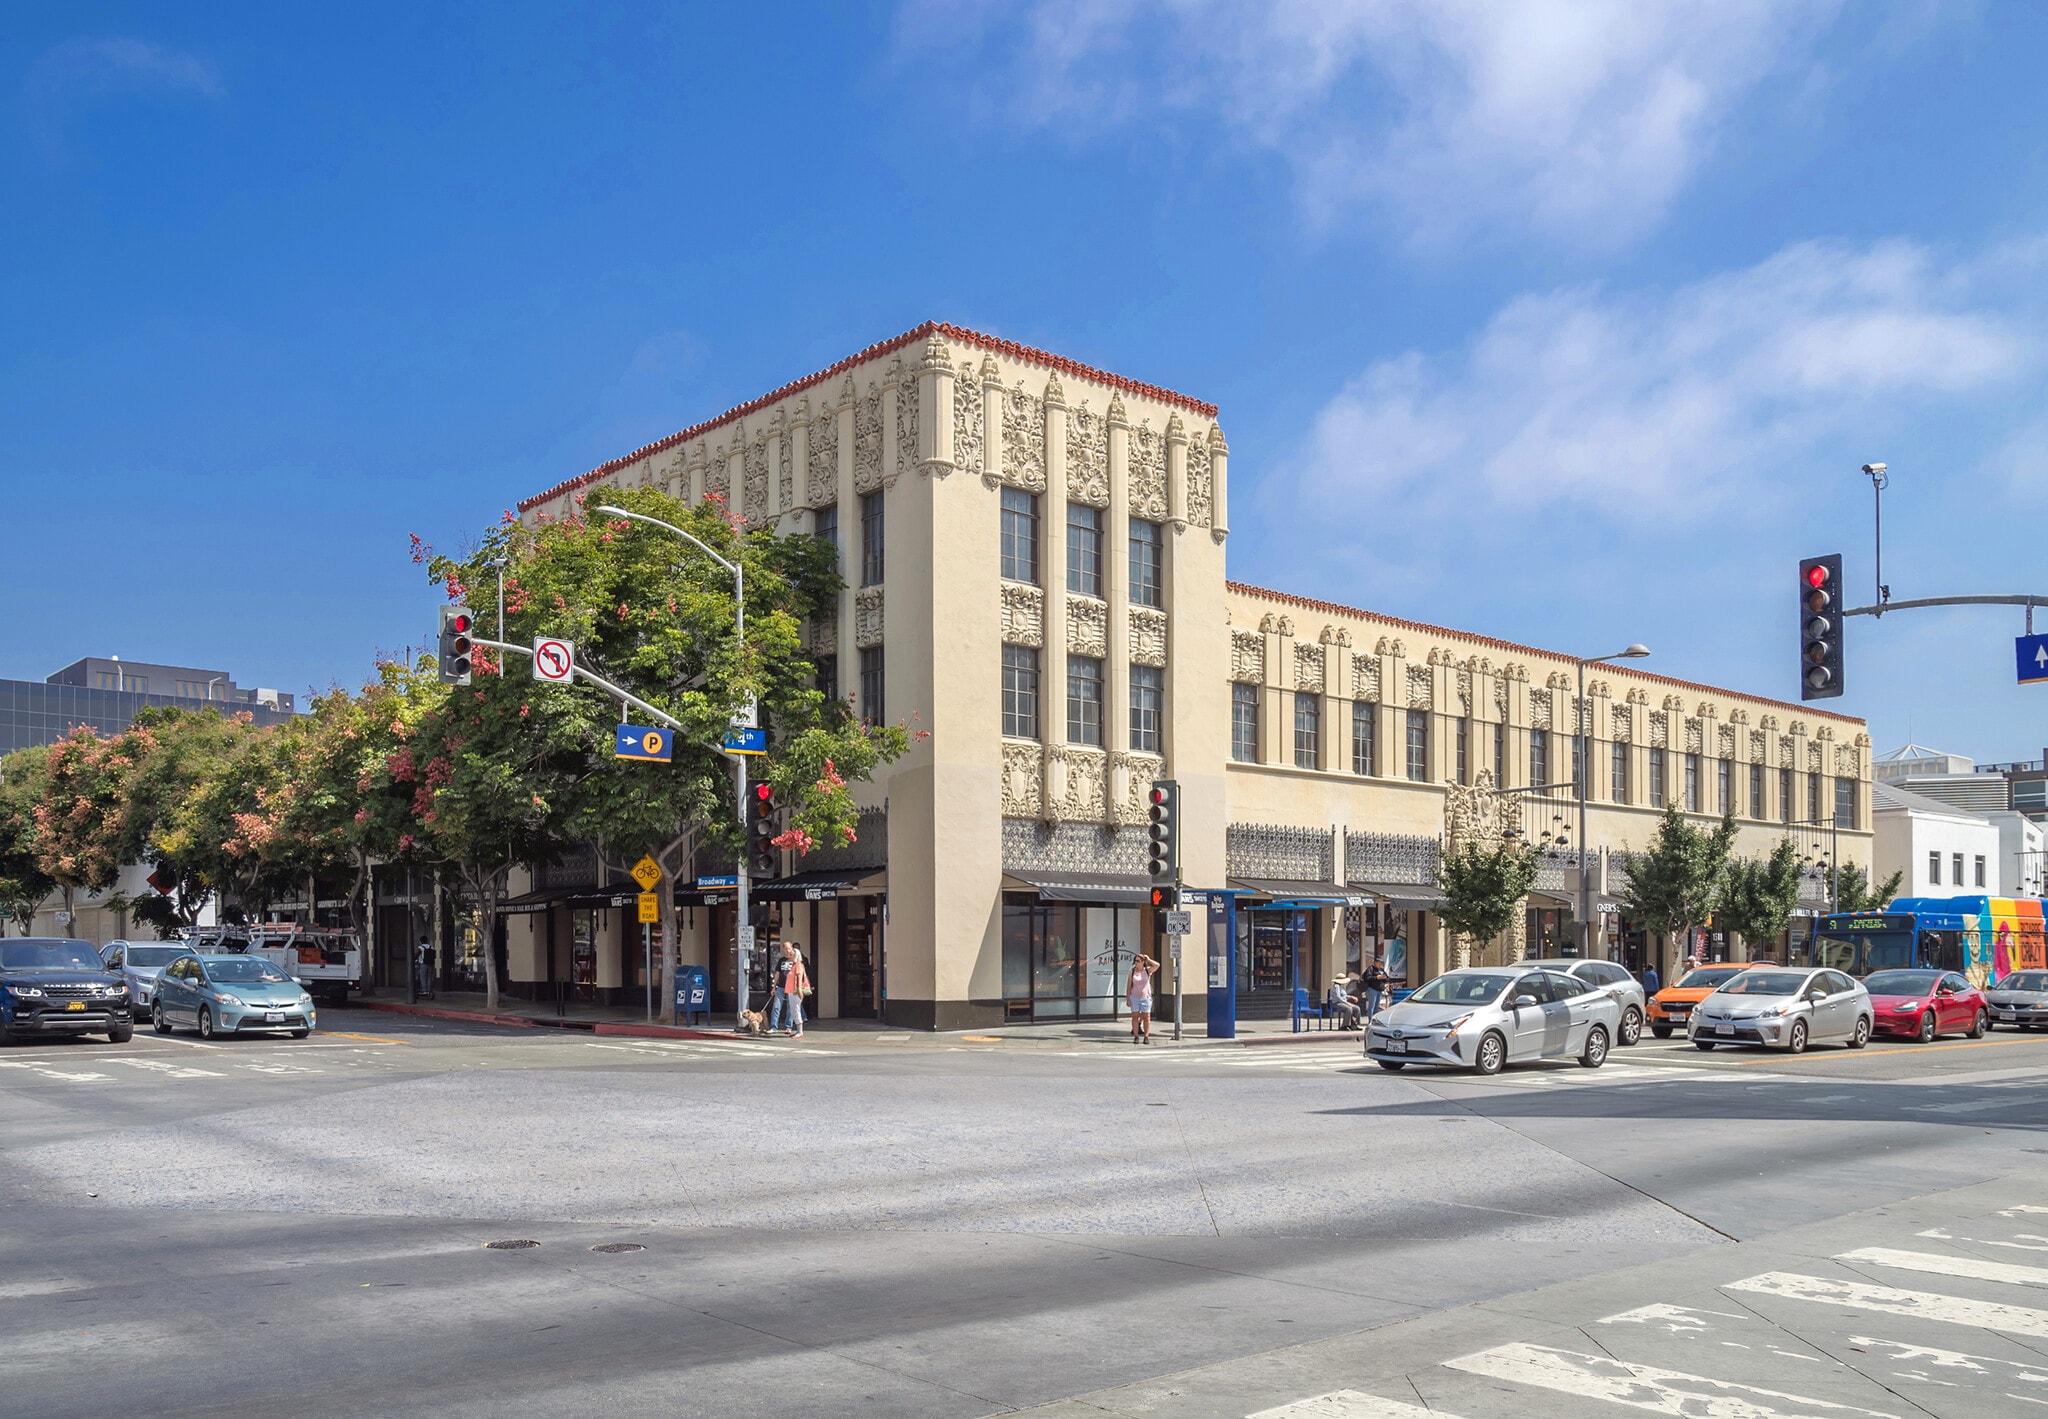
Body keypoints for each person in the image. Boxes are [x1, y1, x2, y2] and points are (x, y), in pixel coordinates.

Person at [769, 943, 810, 1038]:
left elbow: (799, 978)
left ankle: (799, 1031)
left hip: (794, 990)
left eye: (791, 954)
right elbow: (778, 973)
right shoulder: (792, 964)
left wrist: (799, 990)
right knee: (791, 1009)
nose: (789, 955)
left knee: (795, 1010)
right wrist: (774, 986)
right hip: (788, 989)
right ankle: (796, 1030)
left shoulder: (798, 965)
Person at [1128, 953, 1158, 1044]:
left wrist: (1148, 959)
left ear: (1142, 962)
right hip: (1135, 997)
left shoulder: (1147, 971)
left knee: (1146, 1018)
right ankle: (1136, 1036)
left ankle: (1146, 1036)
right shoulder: (1132, 971)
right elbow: (1129, 986)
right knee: (1135, 1017)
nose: (1135, 963)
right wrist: (1128, 998)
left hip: (1146, 998)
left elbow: (1157, 965)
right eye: (1135, 961)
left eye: (1138, 961)